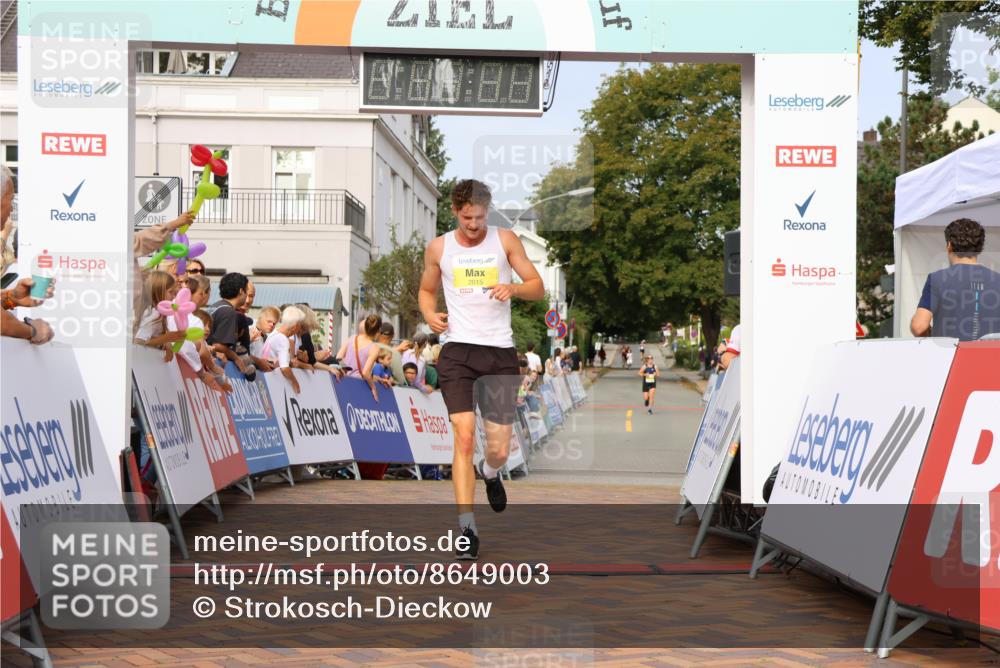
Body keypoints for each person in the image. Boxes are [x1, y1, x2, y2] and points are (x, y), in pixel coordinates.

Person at [419, 178, 544, 560]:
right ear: (455, 211)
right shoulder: (439, 247)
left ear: (487, 211)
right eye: (466, 217)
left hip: (499, 353)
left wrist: (515, 290)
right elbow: (426, 291)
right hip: (457, 351)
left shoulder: (505, 241)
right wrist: (429, 315)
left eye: (479, 216)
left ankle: (490, 473)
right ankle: (466, 528)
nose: (473, 224)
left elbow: (537, 286)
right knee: (463, 437)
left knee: (499, 449)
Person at [910, 217, 1000, 341]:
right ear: (979, 248)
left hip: (950, 357)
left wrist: (931, 333)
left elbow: (919, 327)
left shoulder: (937, 279)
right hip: (992, 357)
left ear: (949, 245)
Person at [261, 305, 311, 394]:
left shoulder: (274, 333)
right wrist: (295, 382)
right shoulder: (283, 340)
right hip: (273, 382)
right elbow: (284, 368)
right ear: (295, 326)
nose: (300, 328)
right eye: (300, 325)